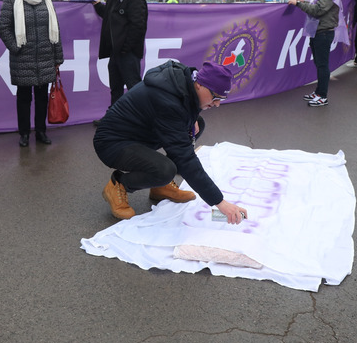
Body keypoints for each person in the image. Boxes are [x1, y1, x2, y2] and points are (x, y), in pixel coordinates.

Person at [93, 60, 248, 223]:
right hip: (112, 142)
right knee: (165, 169)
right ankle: (119, 184)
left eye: (221, 100)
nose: (216, 104)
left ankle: (160, 186)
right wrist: (220, 202)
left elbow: (186, 107)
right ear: (200, 85)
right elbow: (185, 158)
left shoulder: (185, 80)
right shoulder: (167, 102)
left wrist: (192, 116)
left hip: (140, 133)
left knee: (196, 125)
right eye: (215, 97)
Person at [0, 0, 65, 147]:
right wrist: (16, 47)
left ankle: (41, 132)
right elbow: (4, 28)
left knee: (43, 98)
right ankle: (24, 133)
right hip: (23, 59)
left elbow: (55, 31)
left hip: (45, 59)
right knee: (24, 99)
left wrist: (57, 59)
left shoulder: (46, 1)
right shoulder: (11, 0)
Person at [92, 0, 148, 121]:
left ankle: (142, 120)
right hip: (115, 53)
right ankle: (114, 119)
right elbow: (110, 15)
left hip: (127, 54)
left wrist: (125, 49)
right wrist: (98, 6)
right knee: (115, 88)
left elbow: (138, 27)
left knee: (134, 88)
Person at [287, 0, 348, 107]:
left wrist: (299, 4)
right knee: (319, 64)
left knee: (322, 65)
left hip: (324, 33)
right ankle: (318, 92)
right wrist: (305, 1)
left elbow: (317, 10)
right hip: (317, 32)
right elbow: (315, 5)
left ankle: (322, 96)